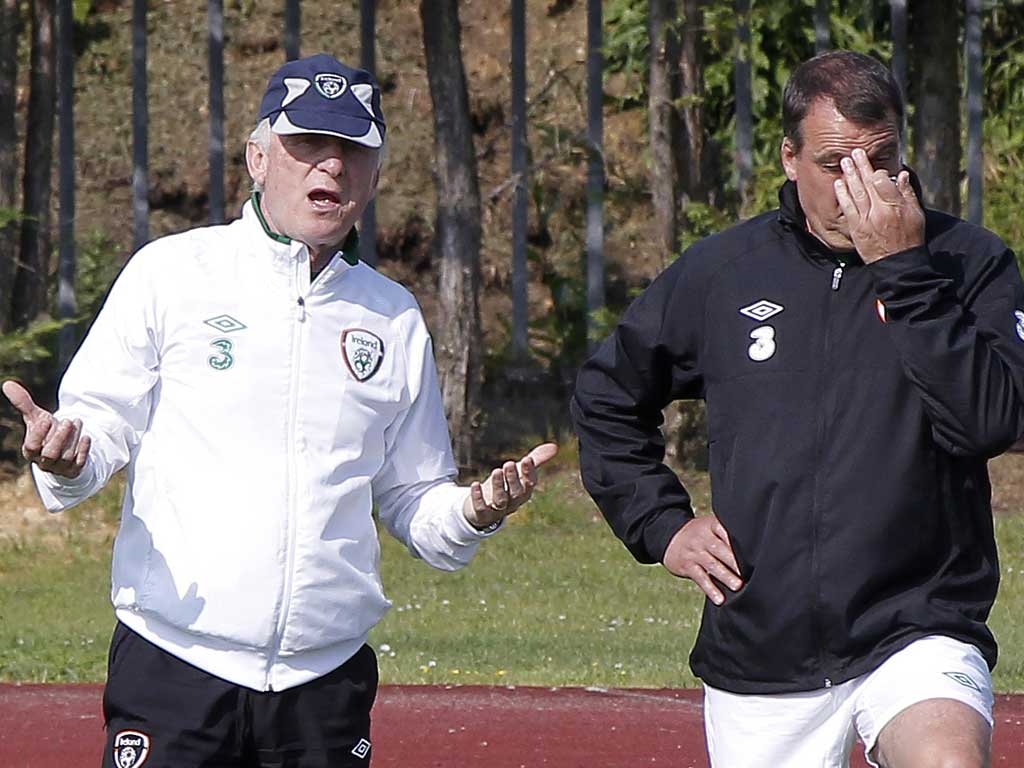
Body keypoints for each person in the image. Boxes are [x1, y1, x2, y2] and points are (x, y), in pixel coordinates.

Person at [3, 53, 556, 768]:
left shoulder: (392, 316)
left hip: (323, 685)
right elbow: (98, 428)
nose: (330, 169)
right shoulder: (173, 273)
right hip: (175, 665)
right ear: (258, 158)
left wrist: (472, 511)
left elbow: (414, 497)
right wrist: (67, 457)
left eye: (352, 152)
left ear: (375, 174)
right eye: (307, 147)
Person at [571, 50, 1024, 768]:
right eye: (836, 163)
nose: (863, 187)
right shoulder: (725, 271)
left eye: (882, 161)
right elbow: (607, 396)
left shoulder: (970, 262)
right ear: (789, 157)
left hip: (916, 620)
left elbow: (993, 422)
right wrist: (663, 525)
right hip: (764, 639)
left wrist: (903, 273)